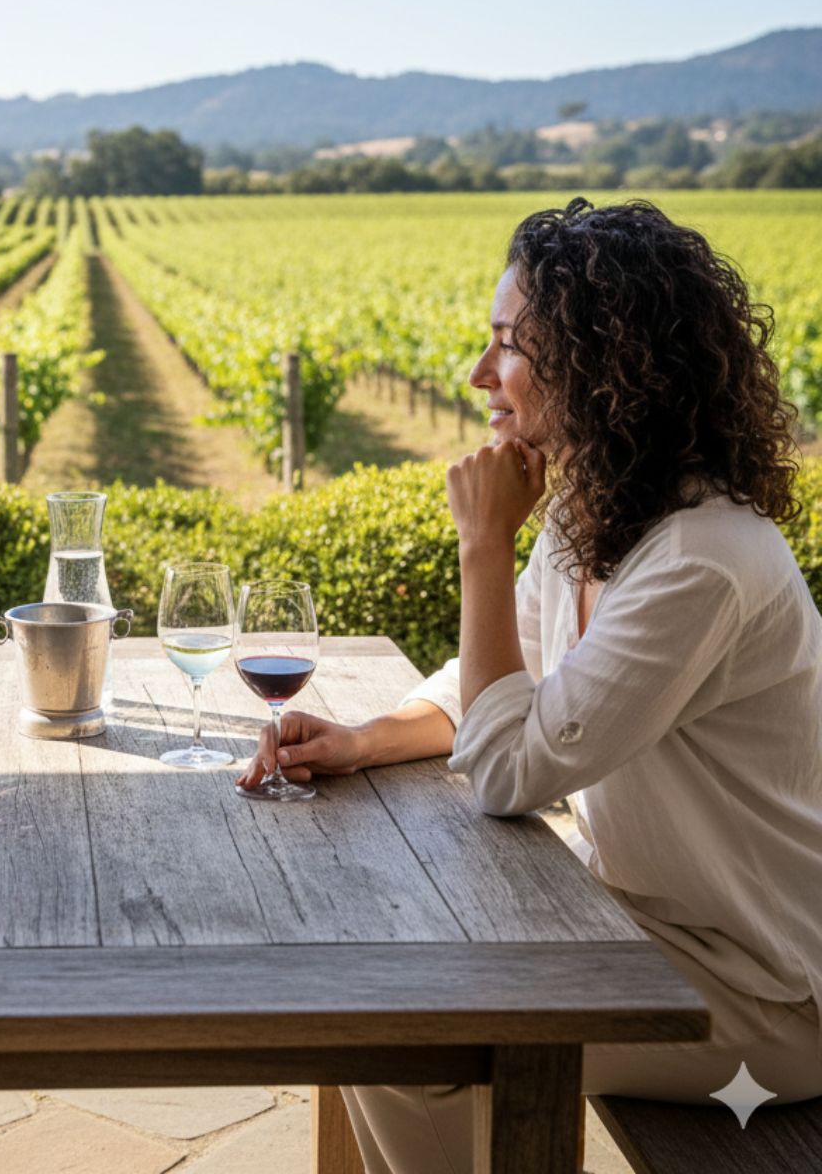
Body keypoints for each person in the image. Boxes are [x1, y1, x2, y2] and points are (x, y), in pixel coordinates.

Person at [239, 198, 822, 1171]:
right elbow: (505, 686)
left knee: (409, 1032)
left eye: (507, 346)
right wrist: (366, 738)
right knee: (371, 963)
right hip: (633, 921)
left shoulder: (701, 560)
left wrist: (481, 545)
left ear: (603, 364)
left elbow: (509, 770)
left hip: (764, 988)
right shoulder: (597, 513)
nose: (479, 377)